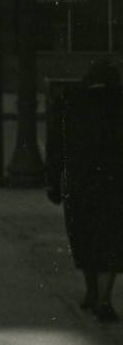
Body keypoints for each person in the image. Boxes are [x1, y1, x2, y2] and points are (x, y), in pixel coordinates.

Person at [46, 61, 123, 322]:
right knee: (111, 240)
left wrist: (53, 183)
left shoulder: (69, 102)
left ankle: (91, 293)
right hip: (114, 183)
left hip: (79, 181)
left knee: (84, 235)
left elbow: (56, 147)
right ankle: (104, 299)